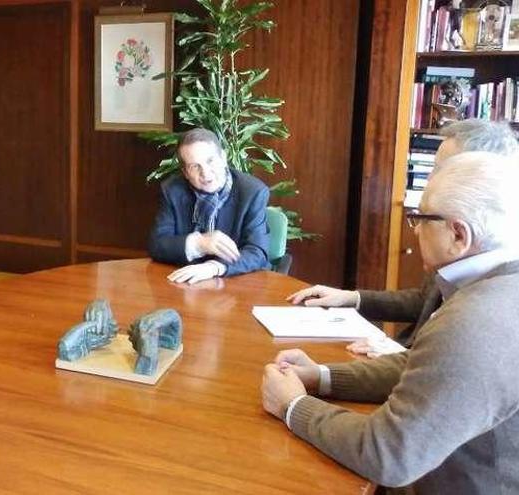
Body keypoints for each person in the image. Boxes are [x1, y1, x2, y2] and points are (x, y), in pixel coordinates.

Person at [262, 151, 519, 494]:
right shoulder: (497, 287)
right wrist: (321, 377)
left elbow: (388, 455)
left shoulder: (477, 320)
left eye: (422, 217)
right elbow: (425, 366)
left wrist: (293, 406)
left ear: (459, 234)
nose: (415, 229)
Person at [287, 119, 518, 353]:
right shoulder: (462, 250)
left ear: (482, 173)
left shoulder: (498, 285)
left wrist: (400, 356)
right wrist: (352, 298)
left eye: (441, 168)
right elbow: (425, 299)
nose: (430, 178)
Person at [148, 128, 270, 284]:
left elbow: (257, 252)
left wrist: (214, 267)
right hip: (186, 285)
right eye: (195, 166)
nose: (205, 173)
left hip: (237, 283)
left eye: (210, 161)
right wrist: (199, 244)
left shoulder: (252, 192)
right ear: (185, 172)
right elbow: (157, 245)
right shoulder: (172, 190)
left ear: (224, 158)